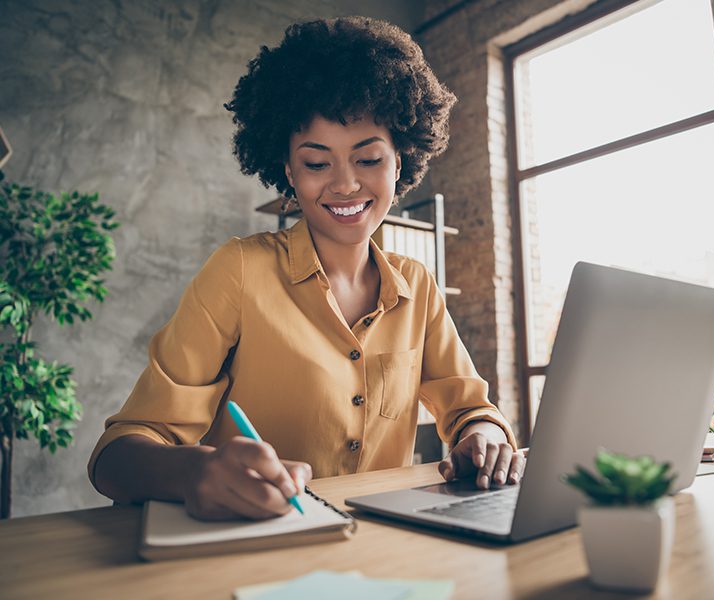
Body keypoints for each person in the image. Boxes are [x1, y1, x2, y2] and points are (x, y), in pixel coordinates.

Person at [88, 16, 524, 521]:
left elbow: (470, 410)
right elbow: (117, 456)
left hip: (388, 554)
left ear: (399, 165)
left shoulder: (417, 286)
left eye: (368, 160)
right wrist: (193, 473)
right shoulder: (240, 271)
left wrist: (484, 437)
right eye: (317, 164)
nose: (344, 185)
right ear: (289, 172)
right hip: (254, 552)